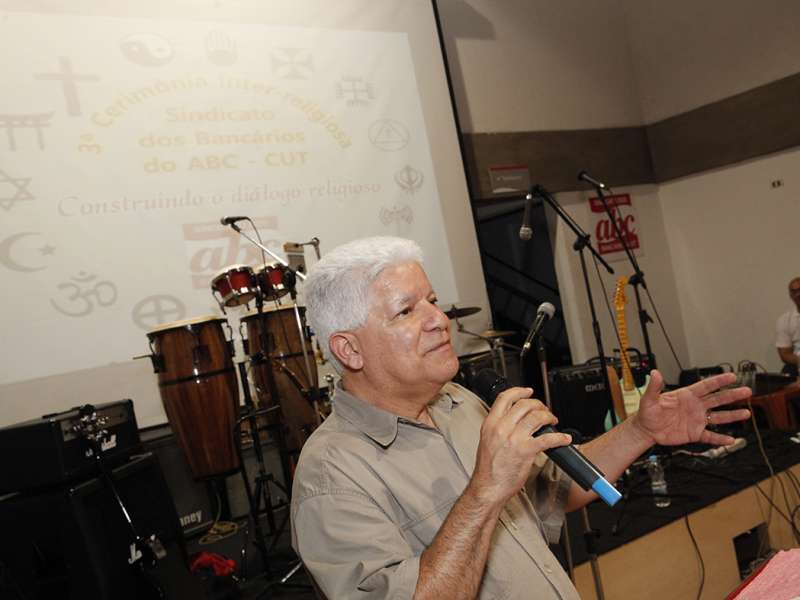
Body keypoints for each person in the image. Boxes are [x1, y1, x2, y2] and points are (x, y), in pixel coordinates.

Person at [291, 236, 752, 600]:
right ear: (349, 349)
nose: (439, 320)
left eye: (432, 300)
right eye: (407, 311)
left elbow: (555, 491)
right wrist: (485, 491)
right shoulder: (331, 475)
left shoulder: (460, 403)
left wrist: (640, 431)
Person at [776, 276, 800, 379]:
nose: (798, 294)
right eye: (794, 291)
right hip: (797, 362)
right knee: (786, 372)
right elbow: (785, 354)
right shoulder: (784, 320)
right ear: (790, 295)